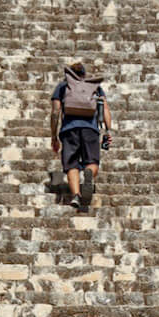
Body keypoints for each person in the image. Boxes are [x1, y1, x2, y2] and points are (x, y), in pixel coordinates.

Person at [51, 60, 112, 210]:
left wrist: (54, 136)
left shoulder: (62, 86)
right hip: (90, 129)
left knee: (71, 164)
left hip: (69, 130)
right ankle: (89, 173)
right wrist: (108, 131)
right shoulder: (94, 86)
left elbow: (55, 112)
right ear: (84, 74)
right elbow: (104, 109)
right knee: (92, 161)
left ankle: (76, 196)